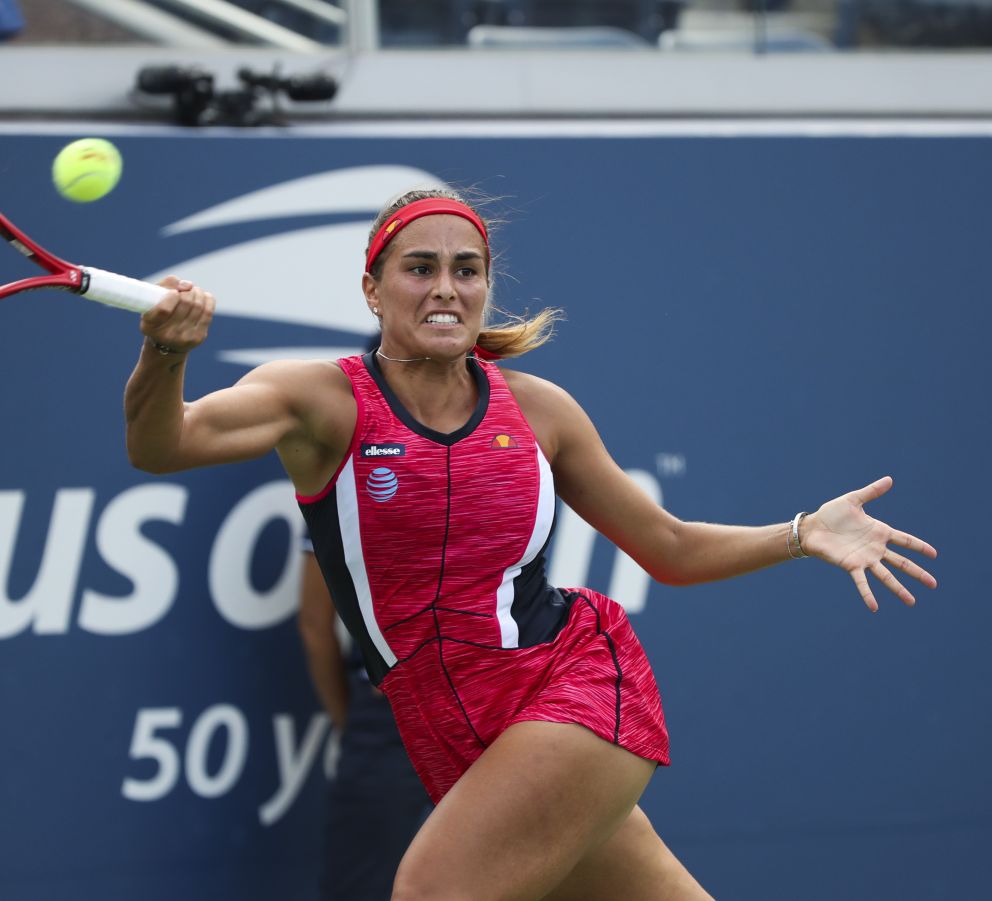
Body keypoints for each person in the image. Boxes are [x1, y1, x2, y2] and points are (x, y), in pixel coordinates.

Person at [123, 188, 938, 899]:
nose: (445, 287)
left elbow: (669, 545)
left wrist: (802, 532)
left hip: (571, 695)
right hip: (447, 728)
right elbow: (162, 446)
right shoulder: (316, 398)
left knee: (434, 890)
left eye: (466, 268)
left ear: (485, 286)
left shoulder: (541, 409)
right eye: (419, 267)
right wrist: (166, 353)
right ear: (371, 289)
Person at [298, 536, 433, 900]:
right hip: (483, 703)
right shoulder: (346, 482)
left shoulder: (343, 480)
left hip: (401, 713)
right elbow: (314, 625)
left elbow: (314, 623)